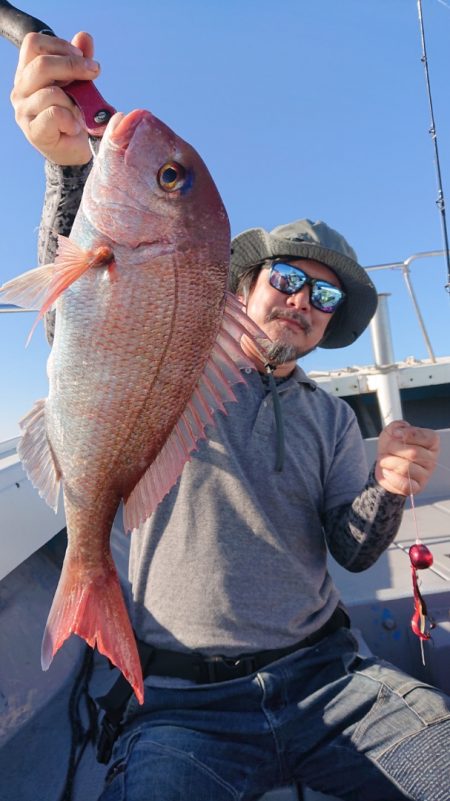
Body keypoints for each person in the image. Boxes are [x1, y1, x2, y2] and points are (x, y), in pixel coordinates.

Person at [10, 31, 450, 801]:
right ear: (241, 287)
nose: (302, 301)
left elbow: (351, 551)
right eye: (287, 277)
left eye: (325, 297)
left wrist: (388, 486)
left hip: (331, 682)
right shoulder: (178, 364)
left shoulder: (332, 419)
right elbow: (90, 314)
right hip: (184, 706)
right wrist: (70, 167)